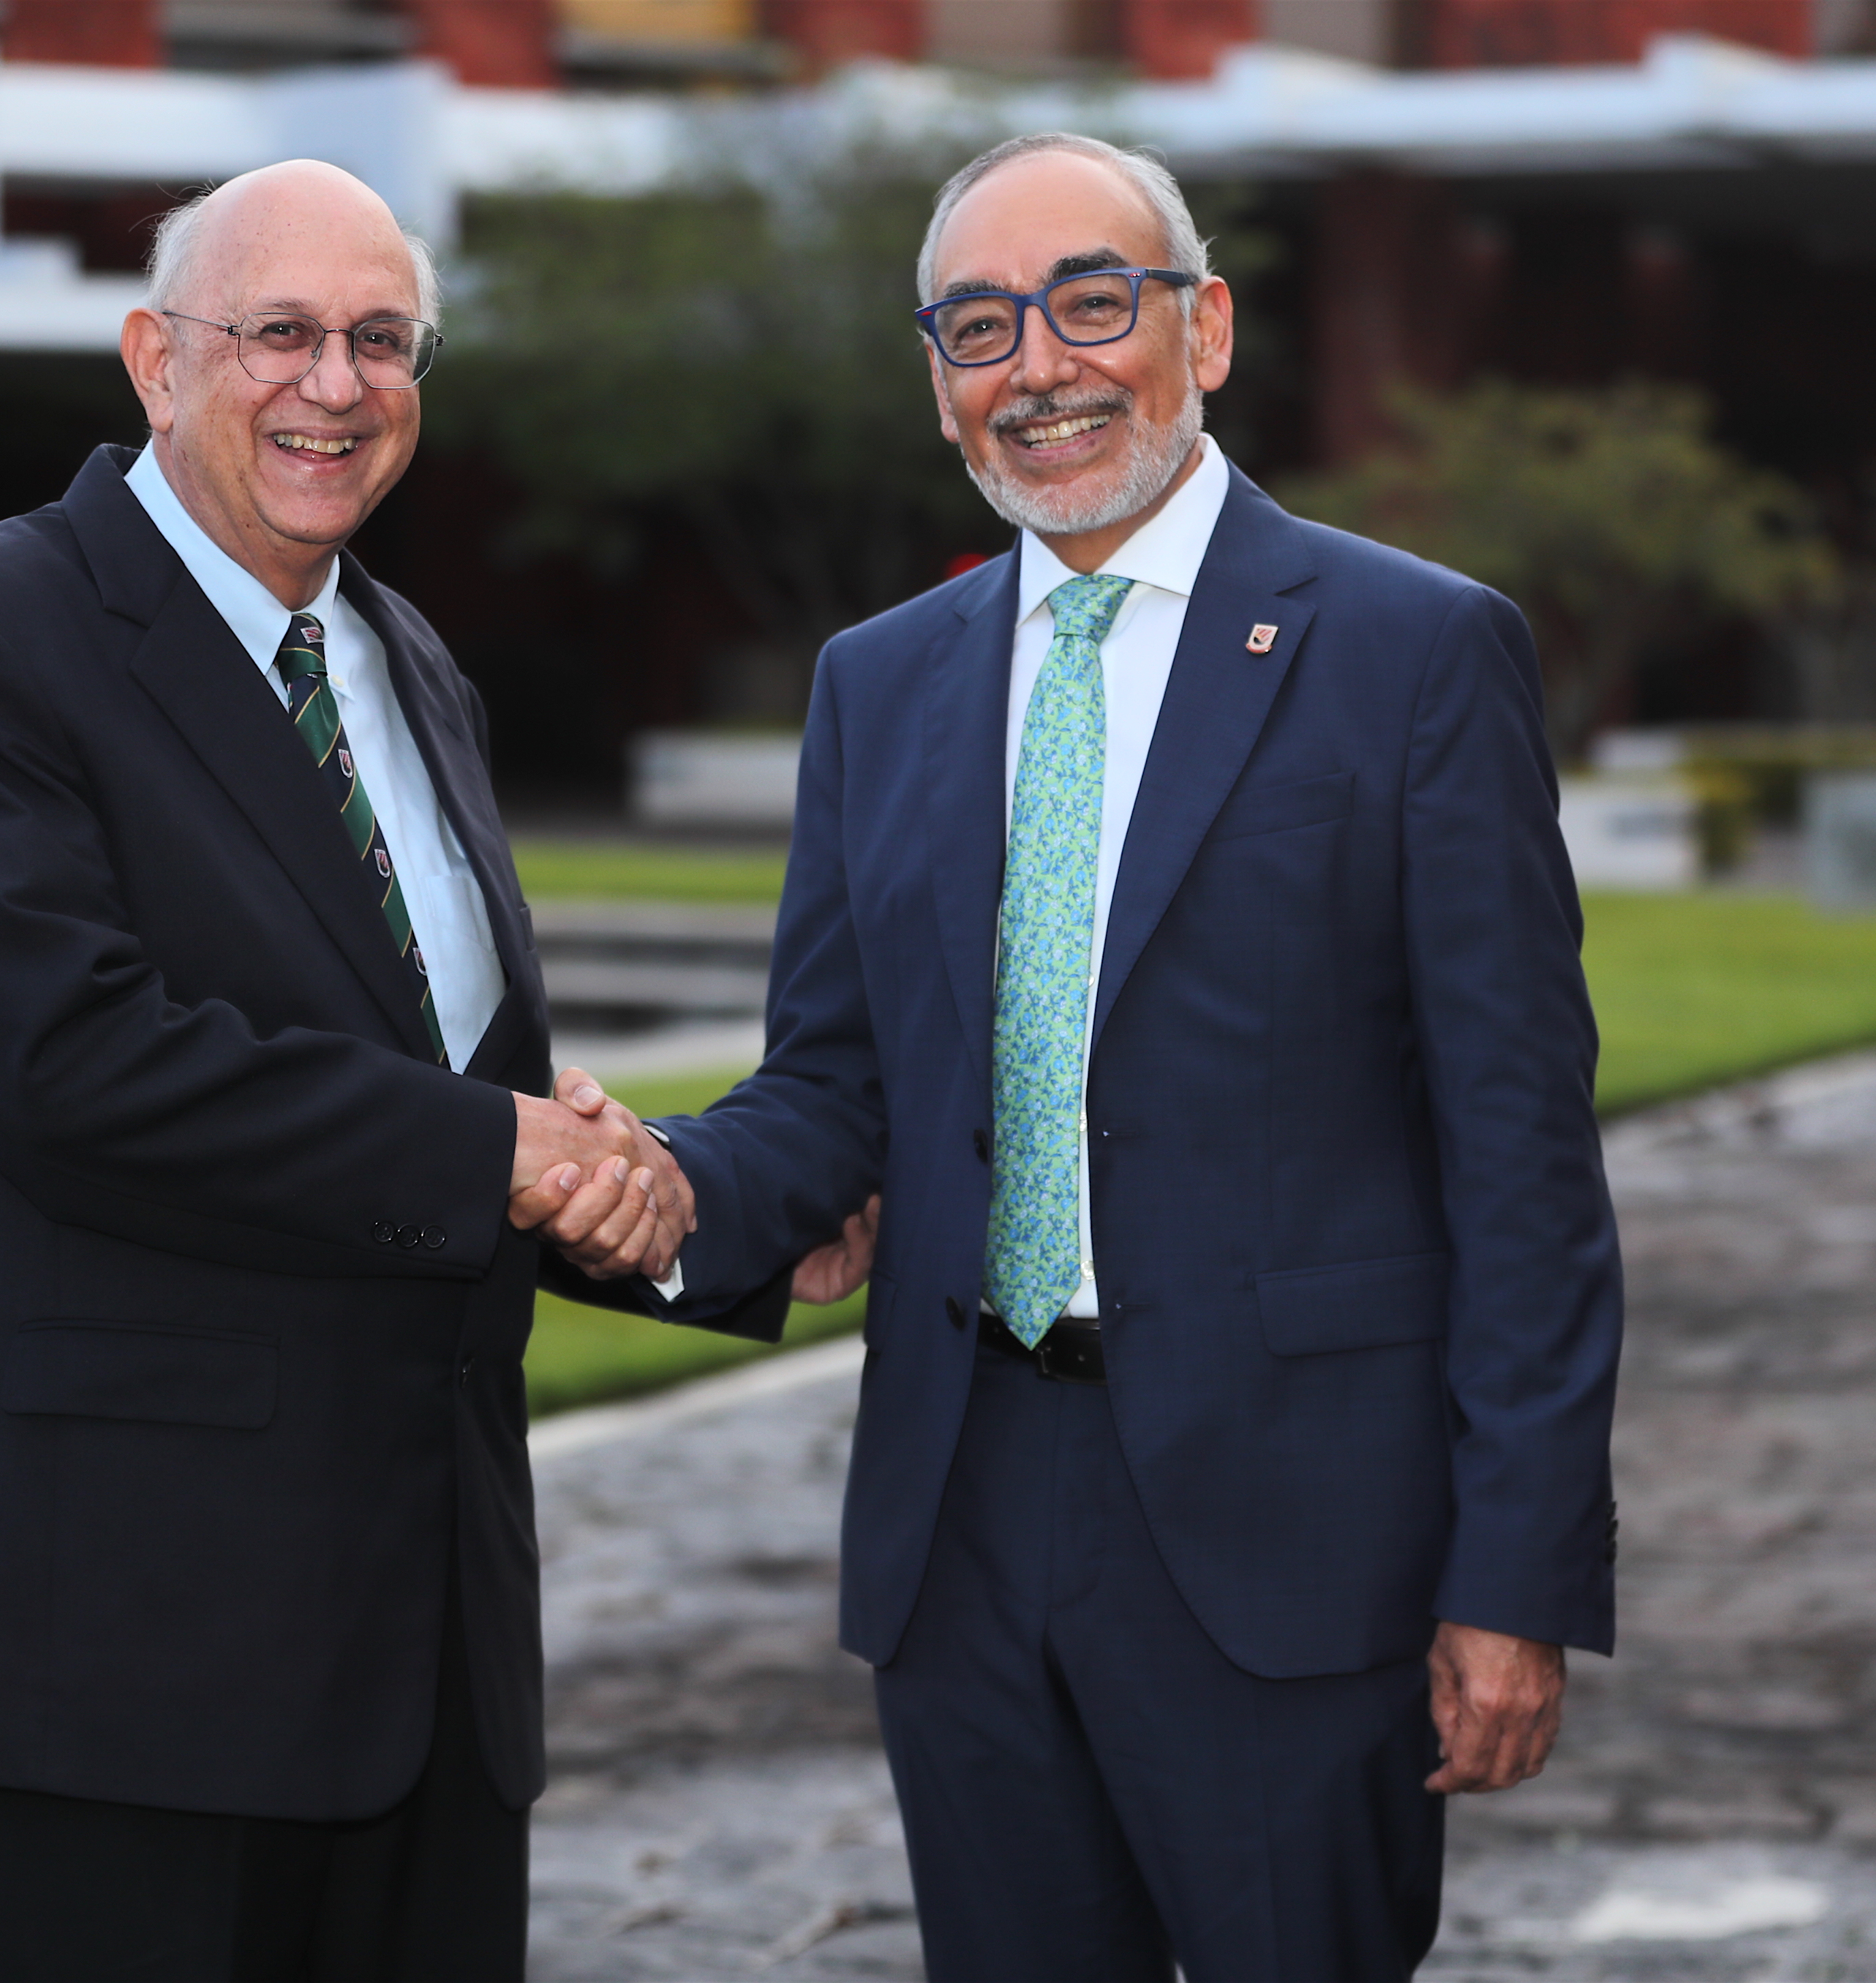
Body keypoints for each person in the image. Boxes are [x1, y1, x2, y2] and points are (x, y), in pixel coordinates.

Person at [549, 132, 1623, 1981]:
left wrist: (1513, 1579)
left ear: (1203, 330)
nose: (1036, 364)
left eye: (1090, 302)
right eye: (978, 322)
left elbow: (1520, 1163)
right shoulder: (875, 684)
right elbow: (834, 1089)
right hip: (962, 1535)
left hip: (1300, 1549)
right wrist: (652, 1187)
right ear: (938, 376)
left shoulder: (1417, 655)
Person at [0, 159, 730, 1980]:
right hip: (134, 1675)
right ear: (157, 358)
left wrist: (664, 1198)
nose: (339, 382)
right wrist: (503, 1153)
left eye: (382, 339)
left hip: (434, 1671)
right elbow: (69, 1064)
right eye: (282, 335)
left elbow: (460, 1091)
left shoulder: (410, 663)